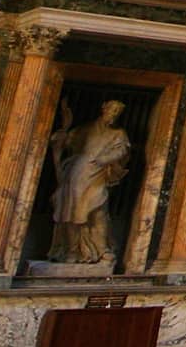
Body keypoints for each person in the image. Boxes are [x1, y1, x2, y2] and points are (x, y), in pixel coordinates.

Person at [47, 99, 132, 265]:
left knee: (99, 212)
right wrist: (61, 138)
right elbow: (66, 143)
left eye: (117, 112)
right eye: (112, 110)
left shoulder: (118, 134)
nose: (114, 115)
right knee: (70, 213)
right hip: (76, 175)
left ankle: (101, 249)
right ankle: (72, 250)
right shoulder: (84, 130)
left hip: (97, 176)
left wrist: (105, 159)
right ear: (103, 109)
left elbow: (122, 150)